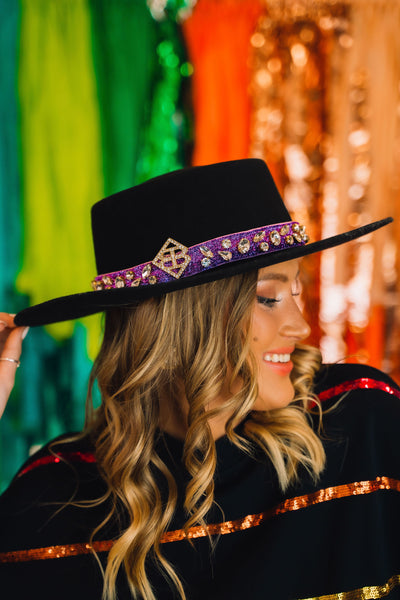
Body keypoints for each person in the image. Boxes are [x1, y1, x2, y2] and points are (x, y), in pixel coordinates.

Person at [0, 159, 399, 600]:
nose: (300, 327)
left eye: (296, 293)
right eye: (268, 298)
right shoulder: (54, 501)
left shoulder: (362, 421)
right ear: (183, 324)